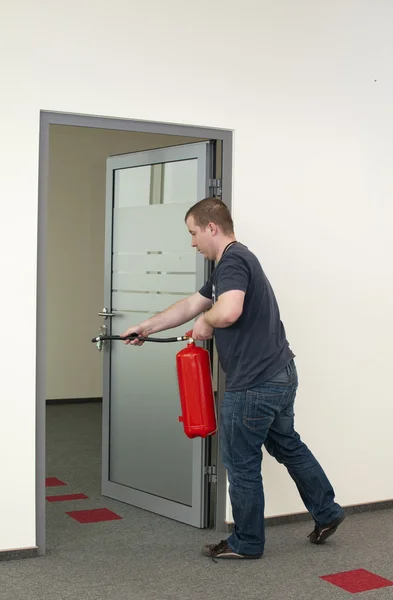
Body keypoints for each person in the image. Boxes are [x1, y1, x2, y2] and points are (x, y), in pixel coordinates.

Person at [122, 197, 345, 560]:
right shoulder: (232, 263)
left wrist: (206, 322)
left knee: (241, 464)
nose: (192, 242)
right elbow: (190, 305)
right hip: (280, 373)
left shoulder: (234, 261)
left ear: (212, 228)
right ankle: (328, 511)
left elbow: (227, 311)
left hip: (255, 383)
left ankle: (247, 543)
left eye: (193, 233)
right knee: (287, 445)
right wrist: (146, 327)